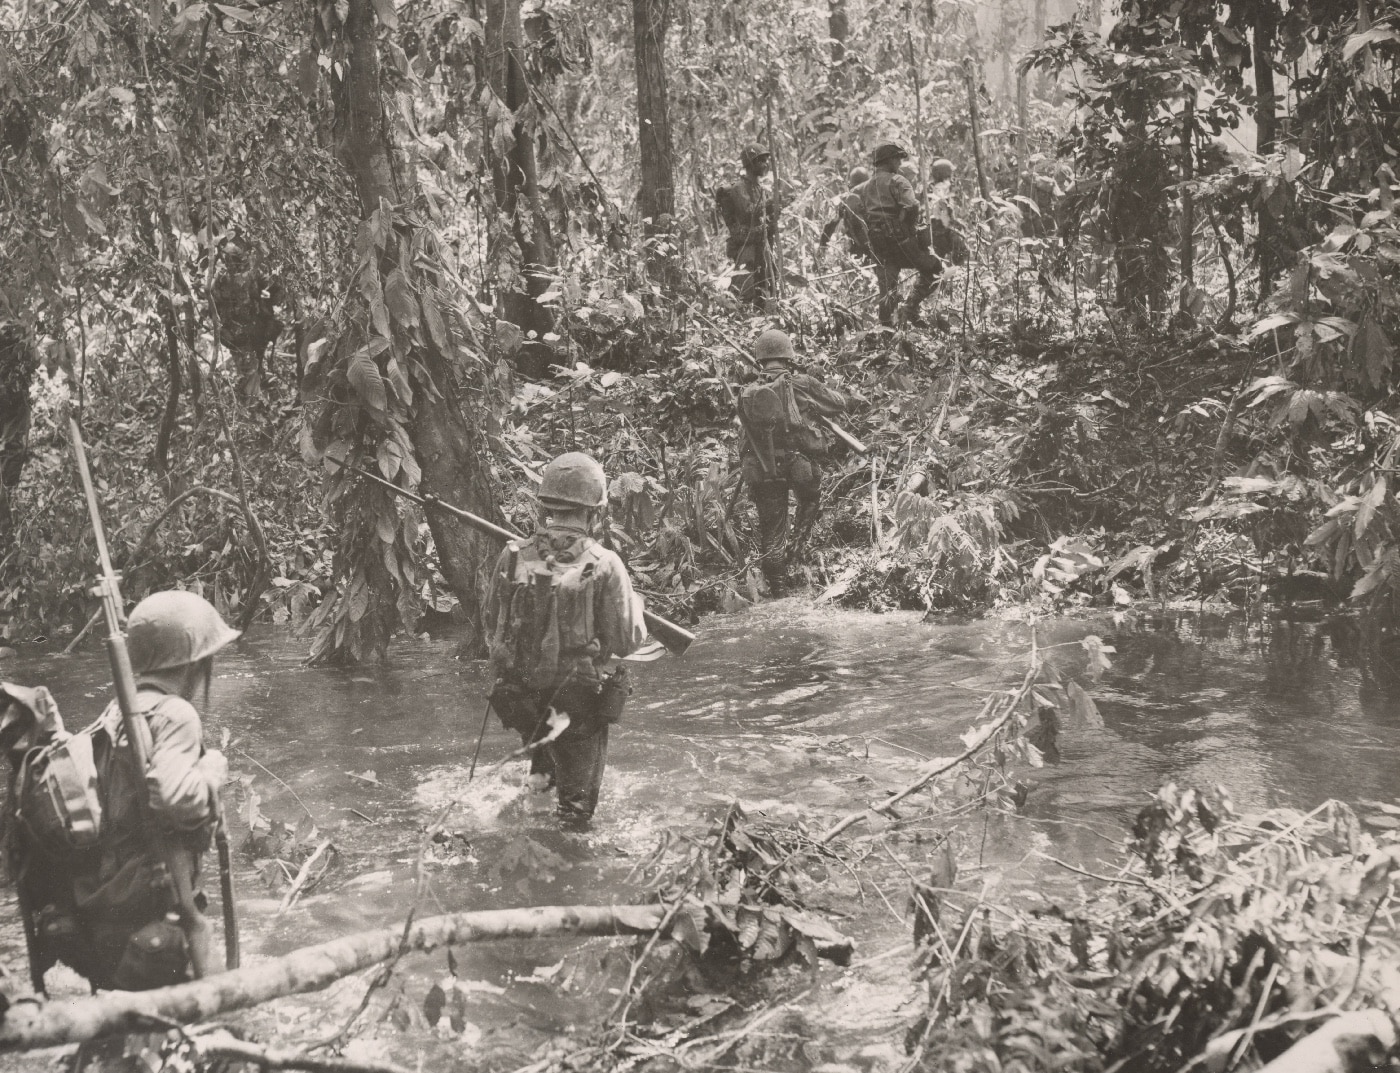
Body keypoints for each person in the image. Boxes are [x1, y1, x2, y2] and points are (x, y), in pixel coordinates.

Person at [13, 590, 234, 992]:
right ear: (196, 661)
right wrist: (210, 775)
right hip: (151, 903)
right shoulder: (176, 714)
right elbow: (175, 797)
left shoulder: (114, 713)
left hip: (104, 898)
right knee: (203, 958)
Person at [485, 452, 647, 826]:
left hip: (522, 698)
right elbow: (628, 641)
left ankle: (530, 852)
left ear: (546, 505)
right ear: (596, 511)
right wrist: (634, 603)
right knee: (576, 812)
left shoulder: (512, 555)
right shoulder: (605, 563)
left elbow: (492, 621)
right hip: (578, 702)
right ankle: (567, 864)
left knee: (540, 784)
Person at [737, 329, 855, 594]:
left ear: (760, 360)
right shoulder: (801, 383)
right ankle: (796, 549)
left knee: (772, 531)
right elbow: (837, 404)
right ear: (788, 357)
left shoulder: (748, 390)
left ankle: (779, 590)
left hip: (763, 469)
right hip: (798, 466)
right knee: (810, 499)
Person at [862, 142, 950, 328]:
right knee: (935, 268)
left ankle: (886, 328)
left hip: (878, 242)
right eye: (897, 159)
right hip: (900, 240)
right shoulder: (898, 181)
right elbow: (912, 206)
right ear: (890, 160)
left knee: (887, 288)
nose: (899, 164)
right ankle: (910, 307)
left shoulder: (867, 186)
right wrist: (908, 227)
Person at [715, 144, 779, 307]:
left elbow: (763, 216)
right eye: (761, 161)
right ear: (751, 164)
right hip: (746, 245)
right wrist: (771, 203)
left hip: (761, 244)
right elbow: (748, 212)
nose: (766, 164)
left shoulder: (759, 188)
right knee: (745, 289)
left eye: (766, 160)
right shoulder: (739, 188)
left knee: (767, 285)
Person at [818, 166, 872, 258]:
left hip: (864, 247)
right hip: (867, 247)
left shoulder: (845, 201)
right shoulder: (875, 197)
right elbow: (830, 226)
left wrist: (822, 248)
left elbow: (830, 226)